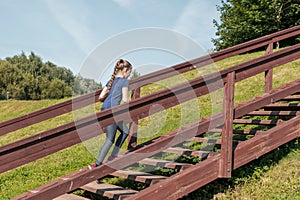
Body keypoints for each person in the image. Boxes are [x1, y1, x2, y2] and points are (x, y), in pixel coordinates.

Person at [89, 59, 132, 169]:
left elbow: (100, 97)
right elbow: (126, 100)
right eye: (129, 72)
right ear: (125, 70)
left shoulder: (111, 81)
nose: (129, 75)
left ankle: (103, 161)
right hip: (113, 111)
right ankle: (101, 162)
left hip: (104, 110)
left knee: (119, 134)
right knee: (115, 136)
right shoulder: (124, 82)